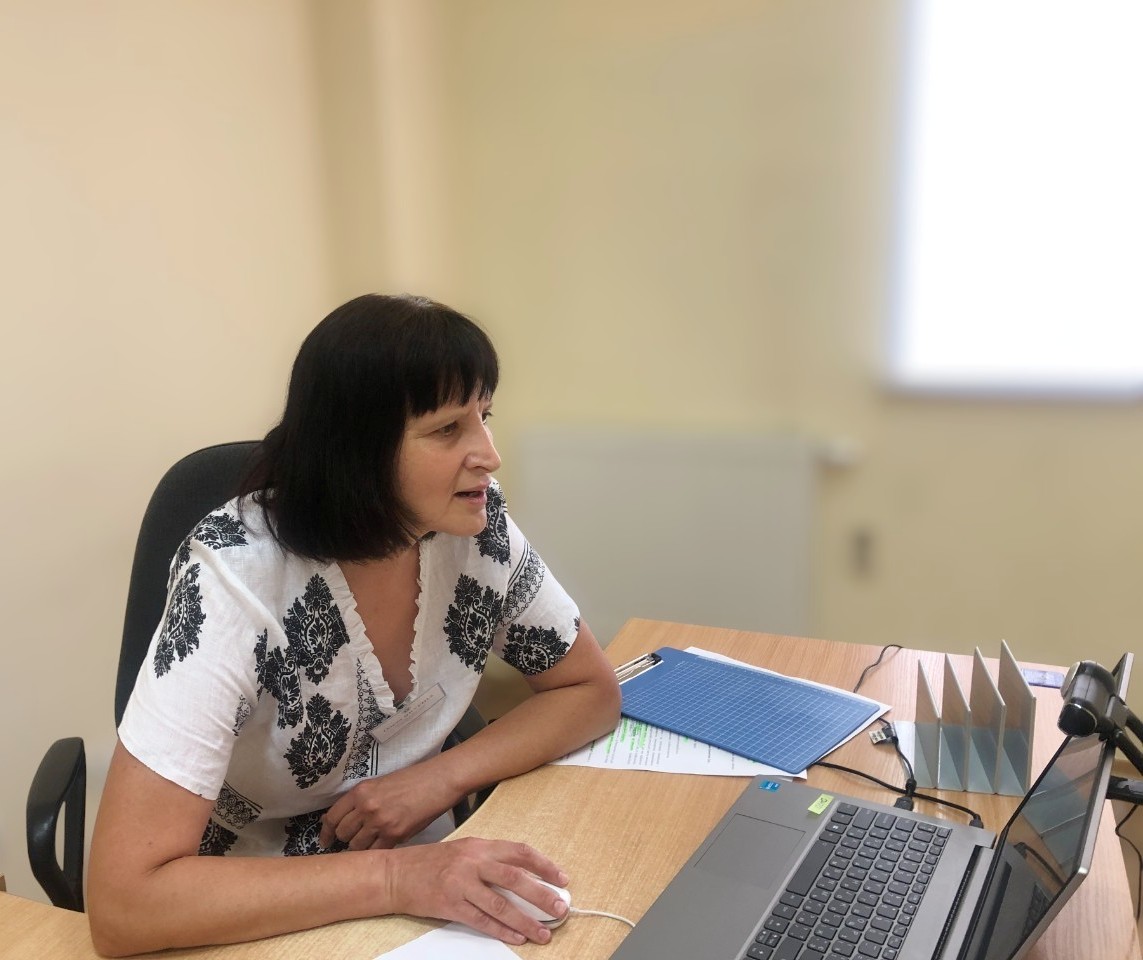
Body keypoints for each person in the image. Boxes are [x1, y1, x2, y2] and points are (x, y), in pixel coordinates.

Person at [87, 294, 622, 956]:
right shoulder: (236, 579)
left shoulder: (473, 530)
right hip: (244, 900)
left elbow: (588, 690)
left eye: (483, 418)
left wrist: (440, 778)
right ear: (357, 451)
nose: (489, 454)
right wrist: (396, 878)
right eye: (447, 430)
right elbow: (123, 905)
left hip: (424, 871)